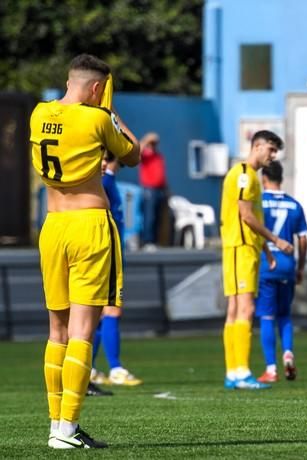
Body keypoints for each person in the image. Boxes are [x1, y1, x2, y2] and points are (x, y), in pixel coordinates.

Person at [30, 53, 140, 448]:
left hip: (52, 226)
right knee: (82, 330)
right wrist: (110, 109)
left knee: (56, 331)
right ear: (97, 88)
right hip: (89, 226)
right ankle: (67, 429)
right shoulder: (97, 117)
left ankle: (54, 425)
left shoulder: (39, 114)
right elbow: (132, 152)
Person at [220, 130, 293, 390]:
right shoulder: (244, 174)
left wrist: (267, 251)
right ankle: (241, 372)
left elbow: (251, 219)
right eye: (271, 150)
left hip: (241, 247)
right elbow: (246, 216)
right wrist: (277, 240)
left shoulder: (245, 174)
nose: (272, 156)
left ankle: (232, 372)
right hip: (241, 247)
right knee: (246, 309)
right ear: (257, 146)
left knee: (234, 310)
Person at [89, 152, 143, 391]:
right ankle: (116, 368)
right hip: (106, 254)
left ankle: (88, 368)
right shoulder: (105, 182)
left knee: (100, 315)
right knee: (111, 311)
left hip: (109, 253)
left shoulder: (108, 181)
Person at [255, 160, 307, 383]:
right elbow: (303, 239)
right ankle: (288, 352)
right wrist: (300, 267)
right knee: (284, 314)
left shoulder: (259, 203)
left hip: (267, 264)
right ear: (281, 178)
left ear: (263, 178)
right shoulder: (294, 205)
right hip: (288, 264)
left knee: (267, 315)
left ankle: (271, 369)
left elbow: (255, 232)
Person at [139, 132, 167, 249]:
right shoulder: (145, 155)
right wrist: (146, 139)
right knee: (149, 216)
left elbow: (162, 175)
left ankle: (155, 241)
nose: (153, 145)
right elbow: (137, 151)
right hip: (149, 189)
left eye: (154, 143)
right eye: (151, 143)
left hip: (160, 190)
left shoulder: (158, 156)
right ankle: (147, 241)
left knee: (157, 216)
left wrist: (167, 190)